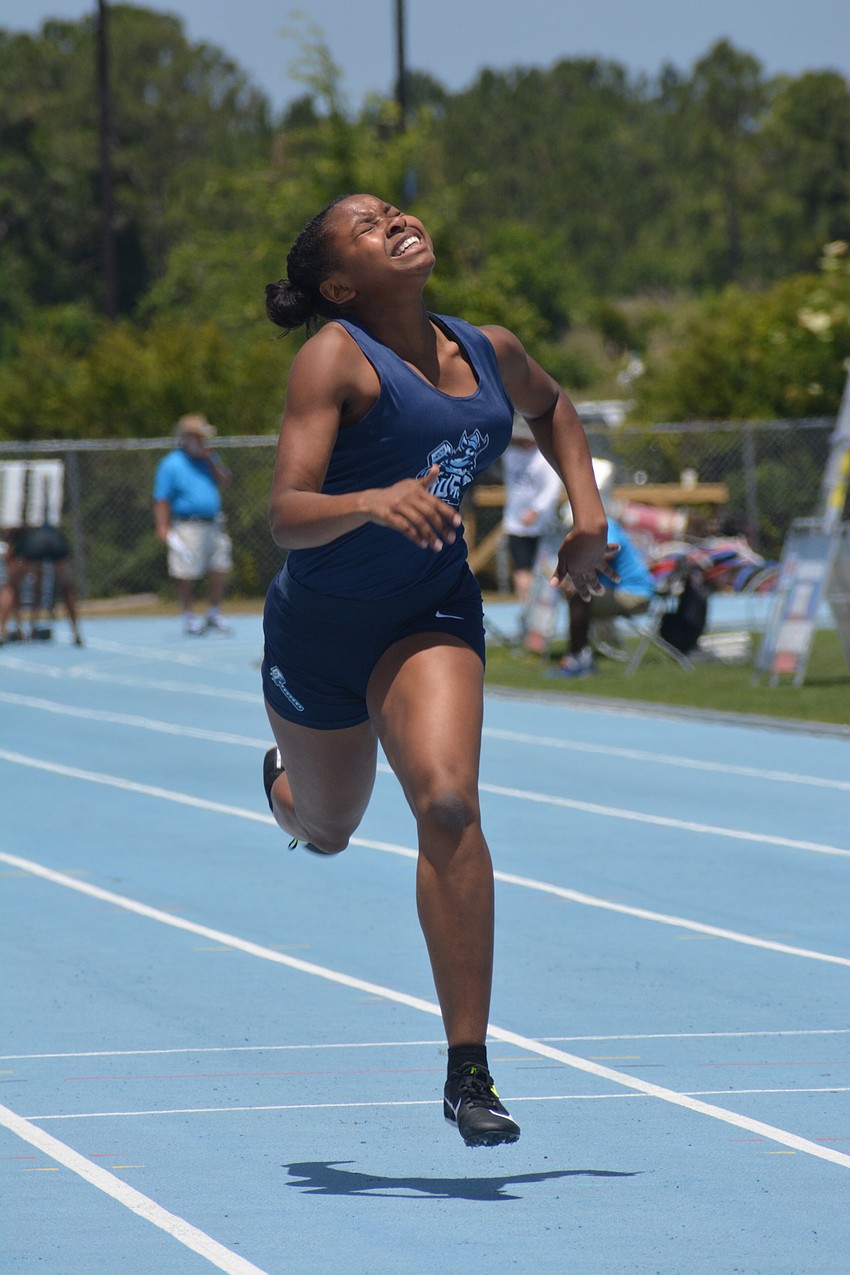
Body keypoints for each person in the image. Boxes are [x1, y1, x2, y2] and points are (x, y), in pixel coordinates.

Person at [260, 193, 616, 1148]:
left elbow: (555, 407)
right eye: (368, 226)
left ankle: (469, 1071)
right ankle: (287, 789)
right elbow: (286, 513)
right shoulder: (334, 358)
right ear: (340, 284)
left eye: (394, 209)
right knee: (330, 828)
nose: (396, 220)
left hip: (428, 613)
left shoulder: (488, 348)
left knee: (450, 804)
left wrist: (589, 522)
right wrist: (373, 500)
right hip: (320, 633)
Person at [152, 414, 233, 635]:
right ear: (186, 438)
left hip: (214, 524)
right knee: (187, 572)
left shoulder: (209, 459)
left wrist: (209, 459)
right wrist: (162, 526)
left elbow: (225, 481)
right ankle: (189, 616)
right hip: (188, 526)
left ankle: (214, 614)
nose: (203, 441)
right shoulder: (171, 464)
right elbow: (161, 498)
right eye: (199, 437)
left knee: (220, 567)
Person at [550, 512, 654, 677]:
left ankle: (579, 658)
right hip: (621, 591)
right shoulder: (598, 527)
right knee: (578, 596)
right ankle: (580, 655)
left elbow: (609, 553)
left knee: (579, 598)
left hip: (634, 594)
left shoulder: (606, 526)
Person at [502, 413, 565, 601]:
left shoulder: (543, 458)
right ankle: (525, 605)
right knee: (521, 567)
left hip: (540, 523)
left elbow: (552, 488)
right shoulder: (511, 456)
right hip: (514, 520)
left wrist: (536, 510)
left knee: (543, 566)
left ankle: (542, 605)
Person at [0, 524, 83, 646]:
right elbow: (38, 580)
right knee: (66, 586)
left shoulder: (21, 540)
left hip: (32, 542)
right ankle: (76, 632)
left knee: (11, 586)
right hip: (56, 539)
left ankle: (1, 630)